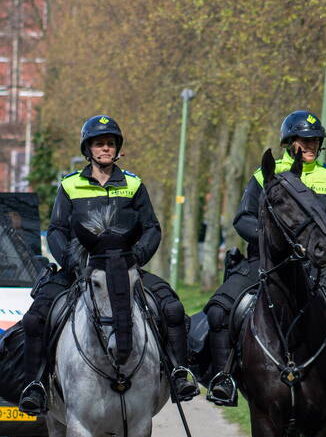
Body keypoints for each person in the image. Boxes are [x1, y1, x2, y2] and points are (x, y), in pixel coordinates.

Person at [17, 115, 199, 414]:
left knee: (172, 309)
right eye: (99, 144)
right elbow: (57, 231)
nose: (105, 149)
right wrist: (71, 262)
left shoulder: (133, 185)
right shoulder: (70, 186)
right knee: (36, 319)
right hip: (79, 270)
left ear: (118, 149)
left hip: (126, 269)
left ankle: (179, 373)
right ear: (88, 149)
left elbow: (152, 227)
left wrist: (137, 256)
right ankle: (35, 384)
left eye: (110, 144)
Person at [203, 110, 326, 406]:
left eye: (315, 141)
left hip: (317, 266)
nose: (309, 146)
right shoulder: (265, 175)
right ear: (289, 142)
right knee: (219, 312)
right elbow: (243, 219)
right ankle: (224, 379)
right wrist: (274, 241)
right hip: (267, 263)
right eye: (303, 141)